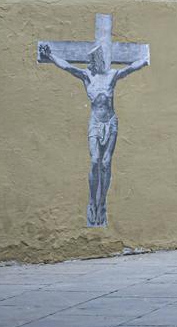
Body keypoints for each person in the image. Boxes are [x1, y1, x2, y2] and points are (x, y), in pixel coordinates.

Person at [39, 42, 149, 227]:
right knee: (95, 160)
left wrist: (145, 60)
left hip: (110, 122)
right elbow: (67, 66)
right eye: (91, 60)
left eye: (94, 59)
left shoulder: (111, 75)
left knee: (106, 163)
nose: (92, 62)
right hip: (95, 123)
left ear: (99, 59)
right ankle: (92, 201)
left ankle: (102, 203)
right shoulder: (86, 76)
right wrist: (50, 56)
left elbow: (130, 68)